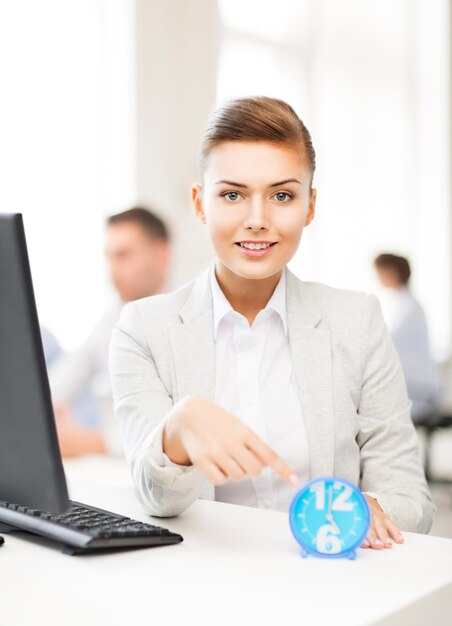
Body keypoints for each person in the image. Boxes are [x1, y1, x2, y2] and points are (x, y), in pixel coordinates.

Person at [109, 96, 433, 551]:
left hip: (334, 587)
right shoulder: (143, 328)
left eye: (282, 195)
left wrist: (375, 507)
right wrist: (176, 432)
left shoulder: (356, 321)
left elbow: (412, 499)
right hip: (200, 588)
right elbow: (155, 498)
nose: (257, 220)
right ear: (200, 204)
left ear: (310, 206)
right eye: (232, 195)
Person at [49, 207, 171, 457]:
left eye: (124, 255)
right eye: (109, 257)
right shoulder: (112, 321)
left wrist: (94, 443)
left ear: (160, 255)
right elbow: (58, 385)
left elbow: (174, 435)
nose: (113, 271)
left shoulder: (190, 320)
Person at [374, 253, 442, 424]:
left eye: (380, 272)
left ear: (393, 272)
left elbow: (386, 344)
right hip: (412, 387)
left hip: (419, 392)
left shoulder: (410, 309)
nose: (378, 278)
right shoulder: (402, 305)